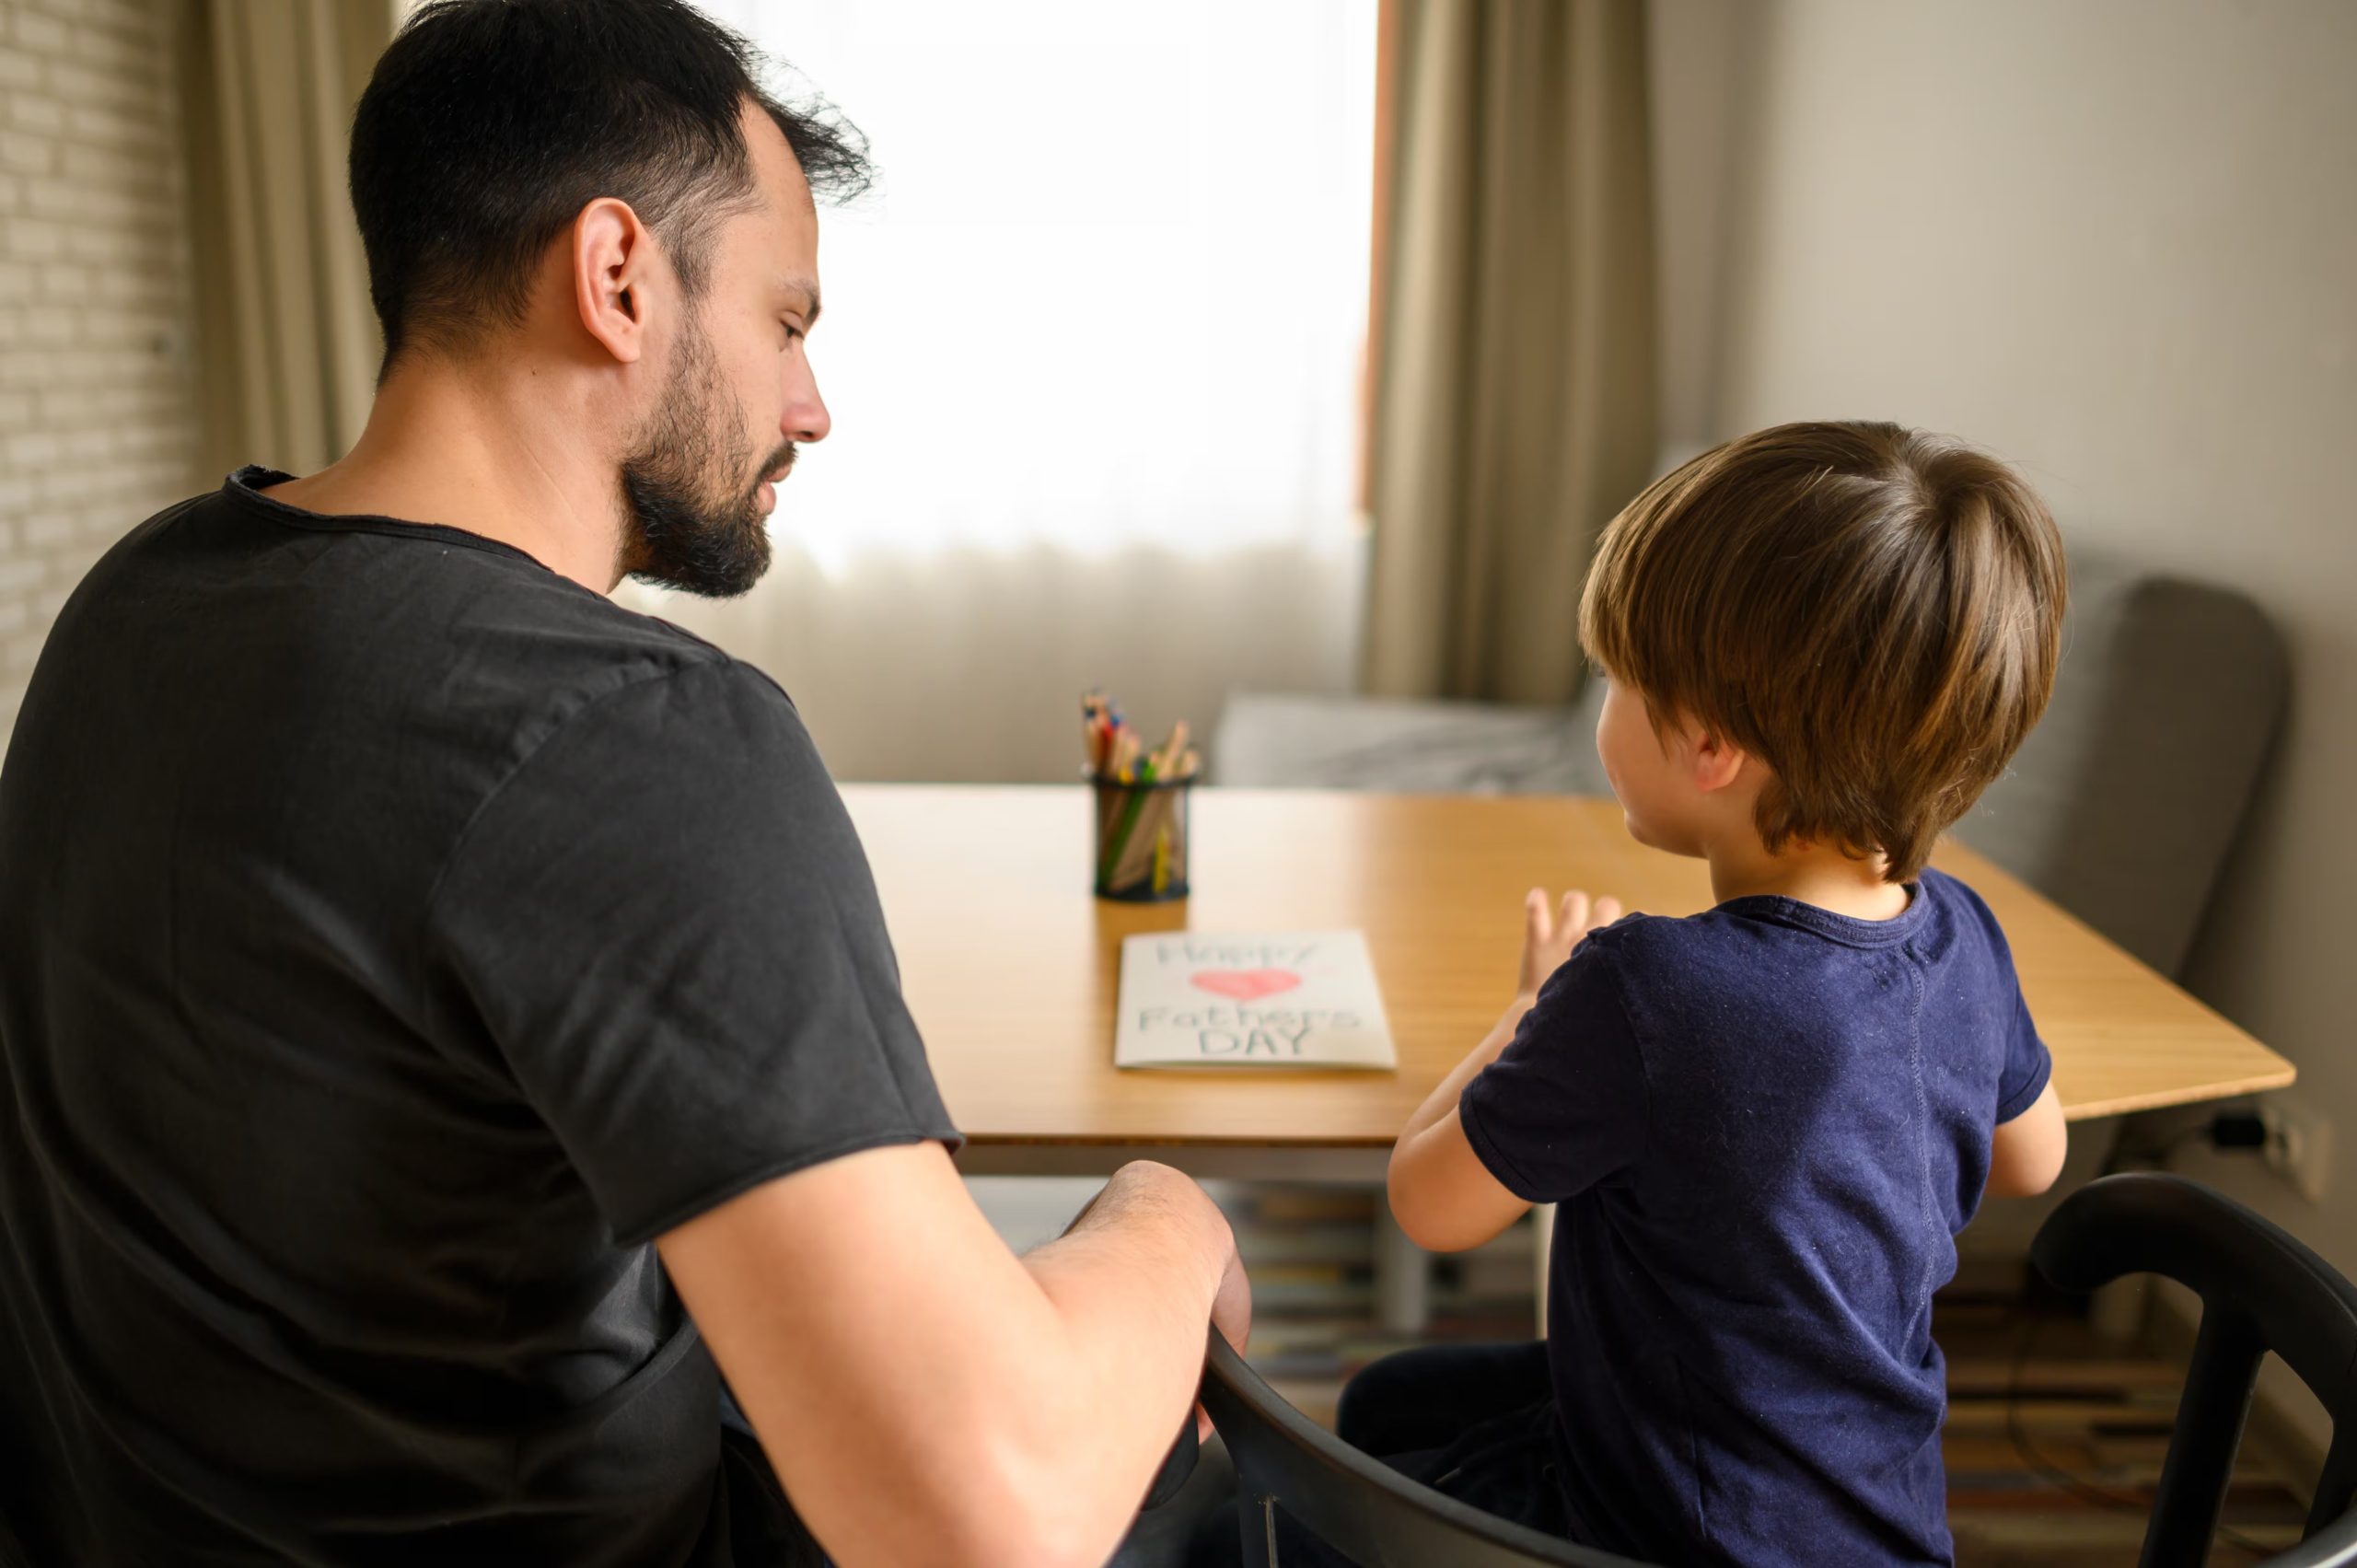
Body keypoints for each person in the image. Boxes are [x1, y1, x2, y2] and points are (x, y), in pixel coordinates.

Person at [0, 3, 1246, 1564]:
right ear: (616, 277)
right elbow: (982, 1515)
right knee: (1187, 1427)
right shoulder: (628, 729)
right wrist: (1171, 1215)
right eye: (787, 322)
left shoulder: (143, 595)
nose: (811, 405)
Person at [1201, 422, 2073, 1567]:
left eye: (1615, 676)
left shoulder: (1647, 989)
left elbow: (1428, 1203)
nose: (1603, 701)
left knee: (1230, 1537)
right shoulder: (1960, 930)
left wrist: (1529, 1015)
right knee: (1400, 1398)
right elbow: (2032, 1160)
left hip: (1664, 1531)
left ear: (1708, 742)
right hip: (1867, 1521)